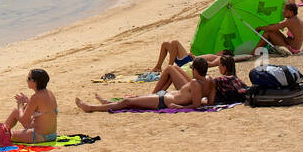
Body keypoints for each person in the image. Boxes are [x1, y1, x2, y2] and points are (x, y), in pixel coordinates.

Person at [76, 57, 214, 113]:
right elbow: (208, 102)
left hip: (164, 101)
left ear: (195, 70)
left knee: (127, 101)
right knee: (135, 100)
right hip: (165, 96)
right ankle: (107, 102)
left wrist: (178, 106)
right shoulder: (210, 80)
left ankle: (91, 108)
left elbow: (196, 106)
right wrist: (202, 100)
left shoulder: (195, 83)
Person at [0, 68, 57, 144]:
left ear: (35, 82)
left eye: (29, 78)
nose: (27, 80)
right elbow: (43, 109)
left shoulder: (35, 97)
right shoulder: (49, 93)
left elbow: (24, 119)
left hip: (40, 136)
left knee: (7, 135)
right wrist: (28, 101)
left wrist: (20, 104)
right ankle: (1, 131)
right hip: (51, 134)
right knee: (15, 112)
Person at [152, 40, 228, 72]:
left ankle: (170, 66)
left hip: (189, 62)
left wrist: (195, 59)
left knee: (175, 42)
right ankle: (158, 67)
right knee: (165, 44)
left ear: (223, 53)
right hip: (188, 60)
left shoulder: (219, 58)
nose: (219, 50)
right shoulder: (213, 55)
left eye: (222, 50)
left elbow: (209, 64)